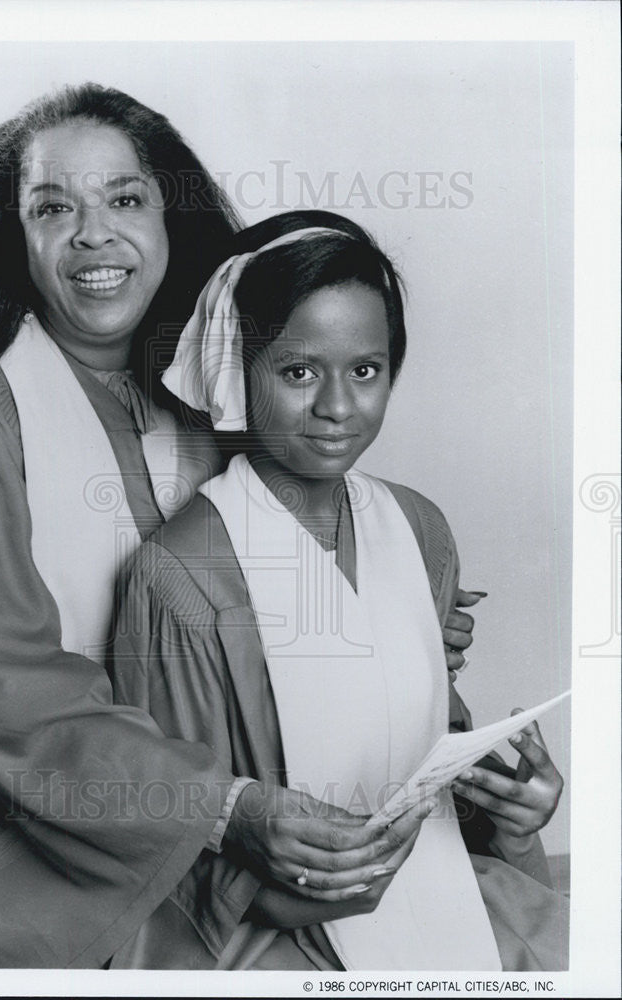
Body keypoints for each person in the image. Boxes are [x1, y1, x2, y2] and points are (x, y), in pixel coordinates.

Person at [0, 85, 477, 969]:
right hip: (39, 869)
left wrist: (406, 616)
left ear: (168, 217)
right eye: (51, 207)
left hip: (220, 859)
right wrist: (227, 810)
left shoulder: (206, 391)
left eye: (124, 198)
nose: (93, 233)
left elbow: (250, 618)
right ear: (12, 235)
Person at [109, 212, 569, 970]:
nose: (337, 407)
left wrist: (513, 814)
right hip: (274, 933)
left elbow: (427, 759)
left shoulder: (421, 529)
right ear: (237, 367)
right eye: (297, 371)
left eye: (366, 370)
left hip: (441, 887)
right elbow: (169, 828)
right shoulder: (179, 575)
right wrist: (287, 896)